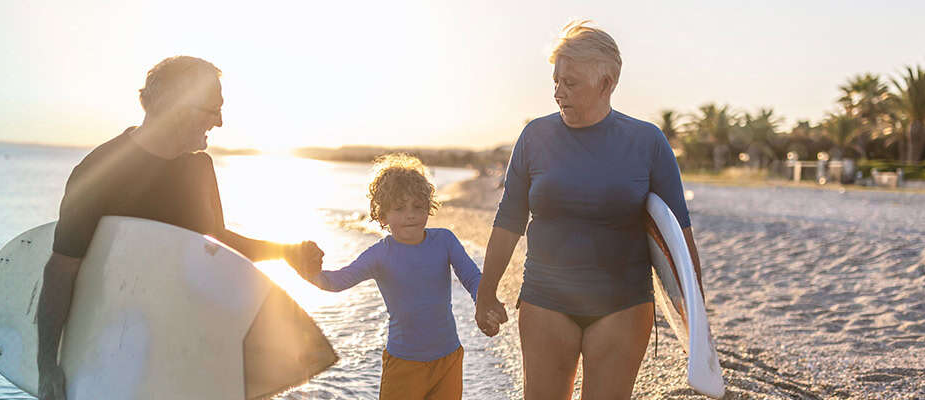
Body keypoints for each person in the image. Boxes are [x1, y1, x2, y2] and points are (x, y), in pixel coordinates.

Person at [34, 56, 326, 400]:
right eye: (213, 109)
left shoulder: (199, 167)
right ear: (177, 106)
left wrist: (285, 252)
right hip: (119, 349)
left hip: (184, 345)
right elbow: (62, 269)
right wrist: (47, 365)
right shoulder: (100, 172)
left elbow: (216, 243)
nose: (220, 121)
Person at [472, 20, 704, 400]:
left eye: (571, 83)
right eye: (555, 81)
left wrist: (697, 322)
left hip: (623, 304)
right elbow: (509, 220)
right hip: (546, 298)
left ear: (606, 84)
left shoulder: (647, 142)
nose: (558, 93)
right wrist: (487, 292)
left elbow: (679, 235)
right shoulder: (535, 137)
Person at [288, 154, 480, 400]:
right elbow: (337, 281)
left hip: (448, 359)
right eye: (399, 208)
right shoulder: (380, 255)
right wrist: (307, 272)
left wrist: (485, 303)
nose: (410, 215)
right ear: (383, 215)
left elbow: (472, 277)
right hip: (404, 363)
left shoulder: (444, 241)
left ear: (428, 207)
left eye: (418, 206)